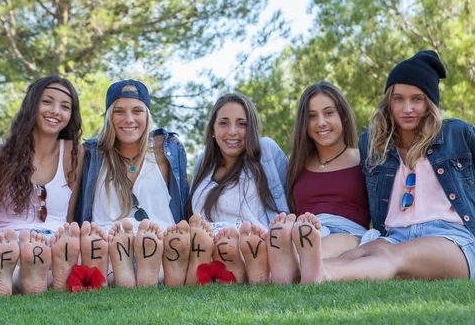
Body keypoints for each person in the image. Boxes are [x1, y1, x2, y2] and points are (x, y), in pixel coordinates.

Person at [288, 50, 475, 284]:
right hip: (394, 236)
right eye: (398, 99)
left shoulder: (456, 134)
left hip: (450, 238)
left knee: (391, 256)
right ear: (389, 101)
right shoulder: (375, 145)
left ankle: (322, 274)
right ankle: (307, 269)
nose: (407, 108)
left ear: (429, 103)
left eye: (416, 98)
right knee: (356, 253)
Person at [0, 75, 85, 294]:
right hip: (6, 243)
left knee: (71, 253)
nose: (55, 110)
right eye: (47, 101)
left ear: (71, 115)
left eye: (65, 106)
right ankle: (32, 275)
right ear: (30, 105)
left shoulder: (74, 153)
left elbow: (68, 218)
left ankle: (31, 275)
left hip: (55, 244)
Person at [75, 79, 189, 288]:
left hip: (159, 242)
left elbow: (183, 201)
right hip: (107, 243)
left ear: (147, 115)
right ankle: (129, 270)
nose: (128, 119)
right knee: (104, 249)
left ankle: (138, 271)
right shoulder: (92, 154)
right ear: (109, 116)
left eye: (137, 111)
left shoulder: (167, 150)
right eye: (119, 111)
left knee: (156, 247)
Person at [267, 81, 370, 284]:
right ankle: (288, 265)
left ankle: (289, 268)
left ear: (343, 115)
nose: (321, 122)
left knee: (319, 246)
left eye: (328, 113)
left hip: (349, 233)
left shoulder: (364, 160)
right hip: (304, 229)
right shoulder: (297, 166)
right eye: (312, 116)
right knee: (302, 237)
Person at [187, 92, 289, 284]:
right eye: (224, 123)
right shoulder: (203, 163)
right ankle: (217, 265)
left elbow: (289, 196)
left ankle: (243, 265)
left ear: (251, 129)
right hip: (207, 243)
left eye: (242, 124)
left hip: (252, 241)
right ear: (212, 129)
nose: (232, 131)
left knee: (240, 245)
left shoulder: (265, 151)